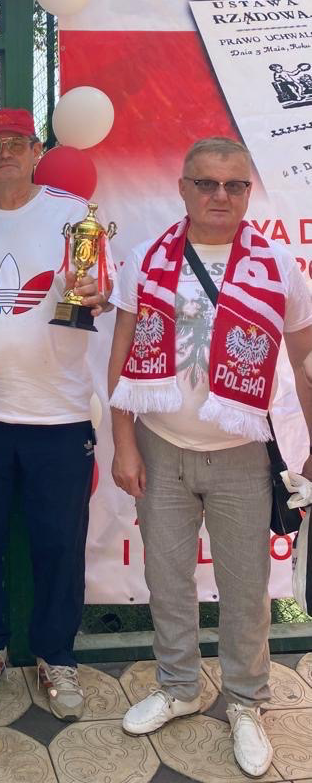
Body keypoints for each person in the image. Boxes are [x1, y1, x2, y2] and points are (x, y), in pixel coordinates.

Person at [108, 136, 312, 778]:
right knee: (168, 580)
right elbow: (121, 353)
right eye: (206, 183)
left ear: (248, 191)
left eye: (234, 184)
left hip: (243, 453)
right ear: (183, 188)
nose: (220, 195)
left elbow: (306, 363)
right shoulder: (146, 259)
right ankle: (179, 686)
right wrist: (122, 441)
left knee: (246, 588)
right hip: (161, 447)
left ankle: (246, 701)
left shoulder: (281, 267)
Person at [0, 108, 109, 721]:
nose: (5, 152)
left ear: (37, 151)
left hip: (59, 413)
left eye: (17, 143)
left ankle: (56, 656)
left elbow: (102, 293)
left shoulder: (74, 217)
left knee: (59, 544)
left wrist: (97, 294)